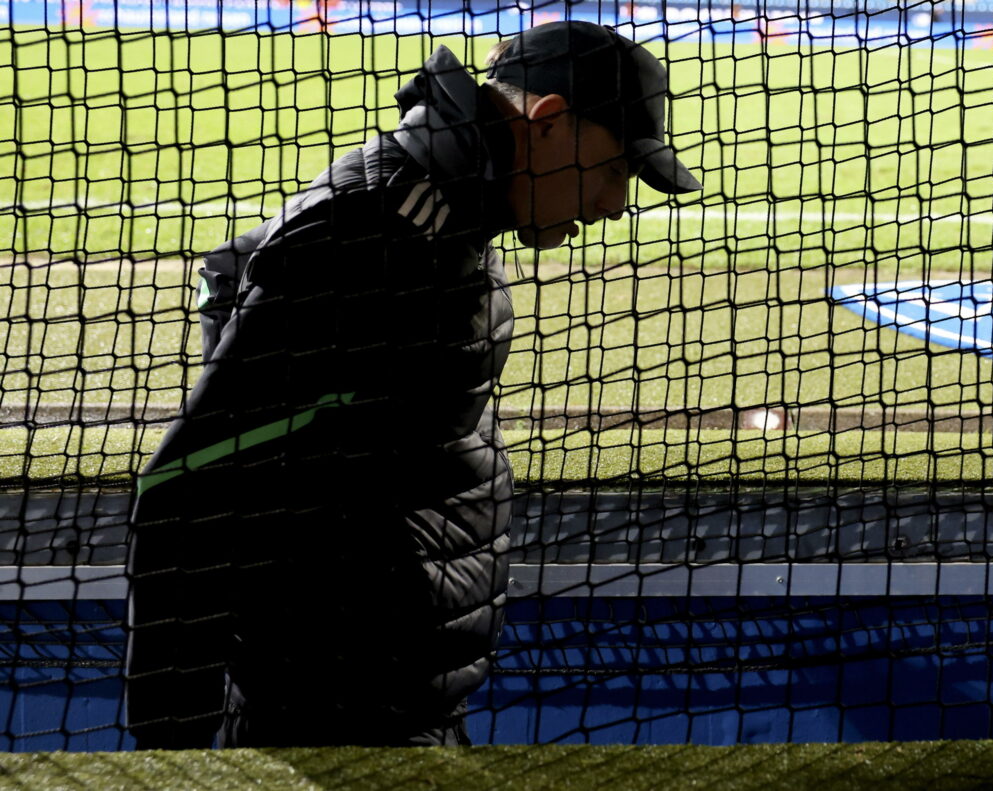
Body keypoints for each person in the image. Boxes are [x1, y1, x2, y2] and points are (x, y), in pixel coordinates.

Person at [124, 20, 701, 750]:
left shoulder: (439, 215)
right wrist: (173, 763)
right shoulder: (383, 237)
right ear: (551, 123)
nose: (617, 204)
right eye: (617, 167)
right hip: (334, 726)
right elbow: (188, 495)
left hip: (377, 705)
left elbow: (235, 272)